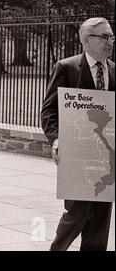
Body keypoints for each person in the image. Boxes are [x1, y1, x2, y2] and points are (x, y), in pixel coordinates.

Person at [41, 17, 115, 251]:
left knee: (100, 225)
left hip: (106, 160)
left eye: (111, 36)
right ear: (86, 40)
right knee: (76, 217)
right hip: (77, 157)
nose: (110, 41)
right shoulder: (67, 67)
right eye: (104, 36)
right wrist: (55, 141)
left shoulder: (114, 70)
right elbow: (49, 110)